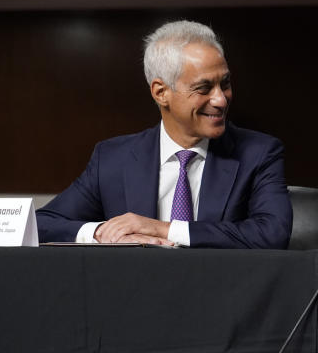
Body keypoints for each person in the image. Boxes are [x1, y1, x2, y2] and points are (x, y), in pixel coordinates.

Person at [36, 20, 292, 249]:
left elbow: (273, 233)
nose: (221, 100)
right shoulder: (113, 158)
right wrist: (103, 232)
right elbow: (42, 223)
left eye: (224, 84)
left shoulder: (258, 153)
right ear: (160, 92)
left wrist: (163, 229)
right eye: (204, 88)